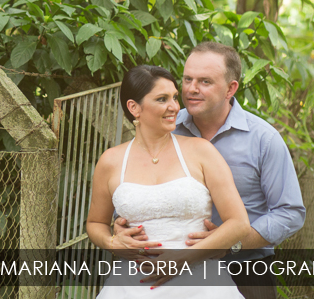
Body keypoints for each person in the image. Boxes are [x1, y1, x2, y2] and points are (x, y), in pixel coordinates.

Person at [115, 43, 306, 299]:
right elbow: (130, 191)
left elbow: (290, 212)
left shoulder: (264, 140)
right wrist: (119, 231)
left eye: (205, 81)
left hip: (246, 266)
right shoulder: (165, 128)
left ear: (231, 88)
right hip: (163, 271)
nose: (192, 89)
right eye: (187, 79)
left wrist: (232, 243)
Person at [86, 65, 251, 296]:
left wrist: (184, 258)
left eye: (174, 97)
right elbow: (95, 223)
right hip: (131, 286)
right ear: (134, 108)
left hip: (199, 285)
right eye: (162, 99)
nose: (174, 106)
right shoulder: (111, 161)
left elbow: (239, 223)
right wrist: (112, 243)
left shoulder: (201, 152)